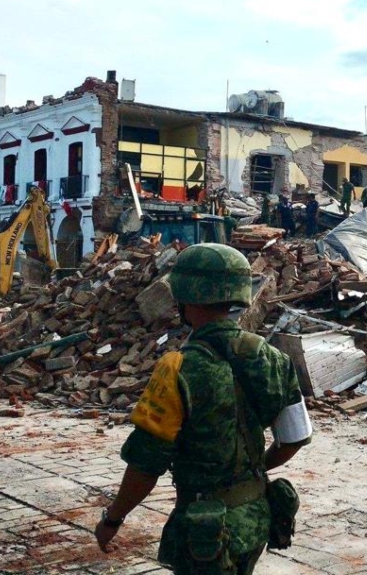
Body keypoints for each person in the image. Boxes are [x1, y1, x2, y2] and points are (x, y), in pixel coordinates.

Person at [94, 244, 312, 573]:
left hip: (204, 533)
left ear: (186, 296)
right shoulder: (275, 359)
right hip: (256, 518)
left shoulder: (177, 368)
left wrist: (113, 519)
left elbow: (146, 464)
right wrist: (250, 474)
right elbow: (294, 439)